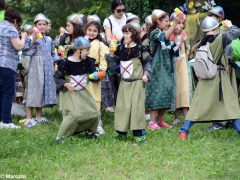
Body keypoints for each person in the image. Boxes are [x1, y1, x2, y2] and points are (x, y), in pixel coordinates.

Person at [178, 16, 240, 139]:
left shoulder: (203, 41)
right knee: (231, 106)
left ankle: (183, 131)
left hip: (206, 80)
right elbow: (236, 32)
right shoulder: (219, 40)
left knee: (197, 106)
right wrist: (230, 25)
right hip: (219, 78)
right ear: (215, 28)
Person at [106, 22, 152, 143]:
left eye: (127, 33)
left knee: (136, 108)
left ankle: (139, 134)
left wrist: (146, 74)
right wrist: (110, 55)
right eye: (124, 33)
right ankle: (122, 132)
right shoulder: (120, 49)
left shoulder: (141, 48)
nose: (125, 35)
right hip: (124, 83)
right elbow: (114, 67)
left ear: (134, 34)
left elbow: (148, 62)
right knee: (123, 108)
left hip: (137, 83)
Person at [145, 9, 183, 130]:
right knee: (156, 92)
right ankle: (151, 122)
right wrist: (175, 23)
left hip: (167, 68)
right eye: (166, 21)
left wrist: (179, 44)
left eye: (168, 21)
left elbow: (173, 50)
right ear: (158, 22)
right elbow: (163, 37)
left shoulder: (165, 32)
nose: (168, 23)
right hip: (156, 67)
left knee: (167, 92)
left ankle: (159, 120)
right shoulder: (154, 33)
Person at [54, 37, 99, 140]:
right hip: (69, 92)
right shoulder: (65, 63)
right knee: (74, 114)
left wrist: (98, 76)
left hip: (82, 91)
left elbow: (92, 77)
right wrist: (65, 84)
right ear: (79, 50)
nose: (88, 52)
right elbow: (56, 78)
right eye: (86, 50)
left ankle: (91, 132)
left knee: (94, 112)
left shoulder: (88, 61)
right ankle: (61, 137)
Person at [22, 13, 56, 127]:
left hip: (46, 66)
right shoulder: (31, 38)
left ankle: (38, 117)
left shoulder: (49, 39)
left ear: (47, 26)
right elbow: (26, 51)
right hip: (36, 65)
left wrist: (56, 62)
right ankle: (28, 118)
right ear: (35, 26)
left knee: (41, 90)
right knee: (33, 89)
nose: (42, 26)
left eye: (44, 24)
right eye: (39, 24)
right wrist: (33, 40)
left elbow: (52, 52)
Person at [0, 8, 27, 129]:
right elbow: (19, 46)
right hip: (7, 64)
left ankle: (2, 119)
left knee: (1, 92)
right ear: (15, 20)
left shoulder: (0, 26)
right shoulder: (11, 29)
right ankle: (6, 121)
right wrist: (24, 36)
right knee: (8, 92)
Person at [85, 15, 109, 135]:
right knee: (84, 99)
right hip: (82, 75)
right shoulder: (81, 41)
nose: (91, 32)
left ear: (98, 32)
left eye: (94, 31)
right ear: (86, 30)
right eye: (89, 30)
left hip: (94, 74)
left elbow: (104, 59)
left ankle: (97, 124)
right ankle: (85, 124)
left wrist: (101, 71)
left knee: (95, 100)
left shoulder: (100, 44)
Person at [169, 12, 191, 125]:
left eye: (182, 23)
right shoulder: (169, 36)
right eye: (178, 23)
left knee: (184, 89)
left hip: (183, 65)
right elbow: (171, 52)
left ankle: (187, 116)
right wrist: (179, 42)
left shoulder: (184, 34)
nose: (181, 26)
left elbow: (188, 50)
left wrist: (186, 44)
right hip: (174, 66)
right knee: (176, 89)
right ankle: (176, 116)